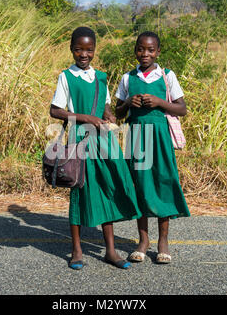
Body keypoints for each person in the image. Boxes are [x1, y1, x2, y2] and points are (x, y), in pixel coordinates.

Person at [49, 27, 141, 270]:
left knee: (108, 188)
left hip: (103, 140)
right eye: (79, 49)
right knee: (79, 191)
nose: (84, 54)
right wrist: (86, 118)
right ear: (71, 49)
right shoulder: (65, 77)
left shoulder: (101, 77)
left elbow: (106, 107)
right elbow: (55, 110)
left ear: (94, 51)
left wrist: (111, 117)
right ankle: (77, 250)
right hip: (80, 139)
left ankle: (110, 250)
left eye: (89, 50)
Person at [115, 31, 190, 264]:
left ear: (157, 52)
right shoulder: (128, 78)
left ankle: (163, 241)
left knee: (163, 183)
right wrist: (129, 102)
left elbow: (181, 109)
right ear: (135, 50)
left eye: (150, 50)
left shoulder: (167, 76)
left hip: (160, 138)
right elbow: (117, 113)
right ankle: (143, 240)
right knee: (141, 186)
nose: (144, 54)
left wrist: (159, 102)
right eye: (140, 49)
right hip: (137, 138)